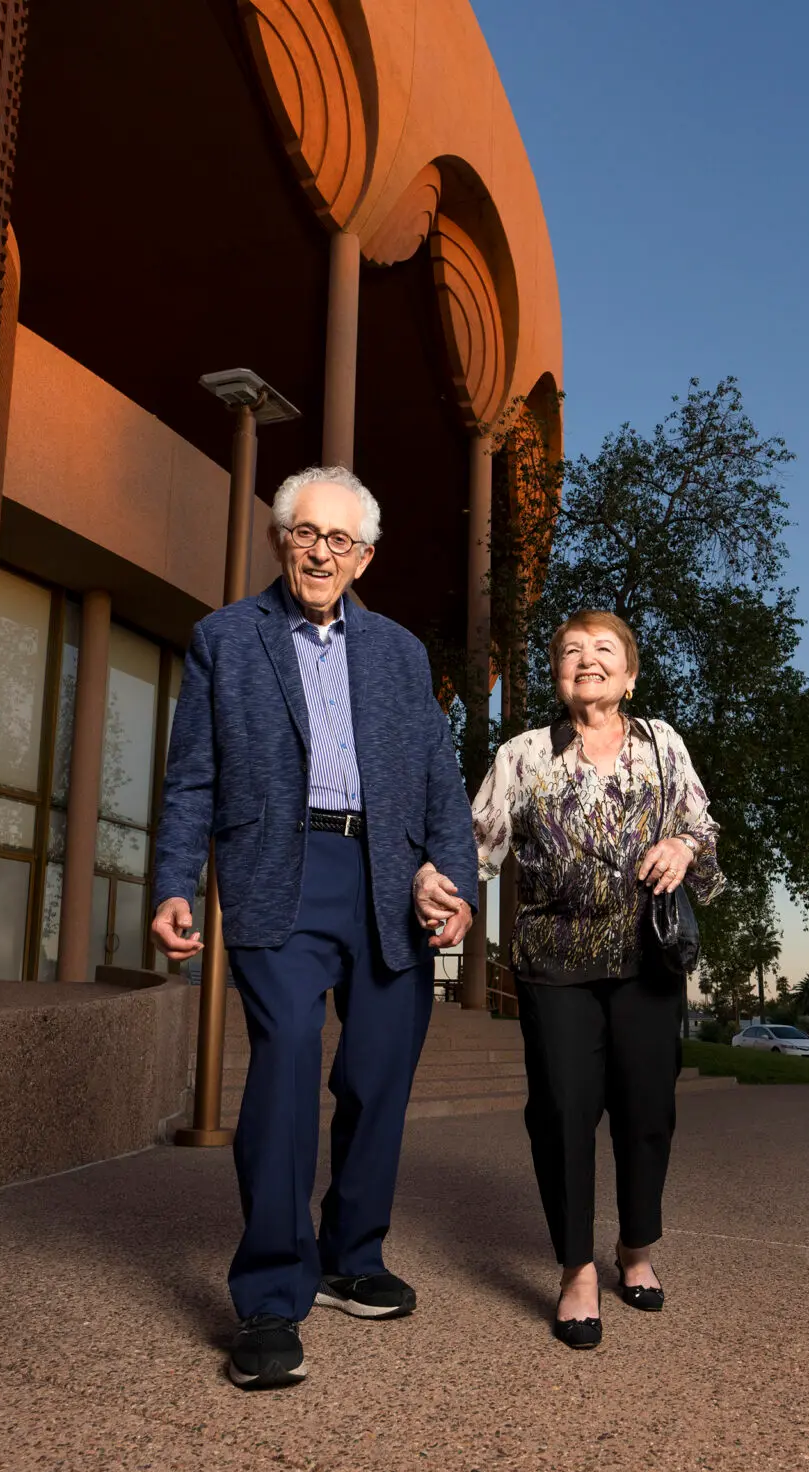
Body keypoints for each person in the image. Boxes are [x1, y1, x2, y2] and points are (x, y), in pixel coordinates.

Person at [152, 466, 477, 1391]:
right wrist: (177, 879)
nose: (322, 551)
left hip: (388, 879)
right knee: (288, 1062)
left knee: (378, 1072)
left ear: (366, 555)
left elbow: (440, 784)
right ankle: (269, 1296)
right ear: (280, 539)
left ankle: (350, 1254)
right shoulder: (226, 639)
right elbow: (192, 781)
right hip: (276, 875)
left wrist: (451, 880)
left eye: (341, 539)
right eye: (307, 532)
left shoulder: (401, 654)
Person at [469, 611, 722, 1348]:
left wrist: (680, 843)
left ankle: (634, 1248)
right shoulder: (522, 756)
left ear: (631, 674)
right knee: (561, 1113)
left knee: (647, 1112)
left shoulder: (663, 744)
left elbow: (706, 836)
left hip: (647, 961)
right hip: (555, 963)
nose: (588, 660)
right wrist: (439, 888)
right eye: (572, 651)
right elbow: (475, 845)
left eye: (604, 650)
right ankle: (577, 1268)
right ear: (557, 673)